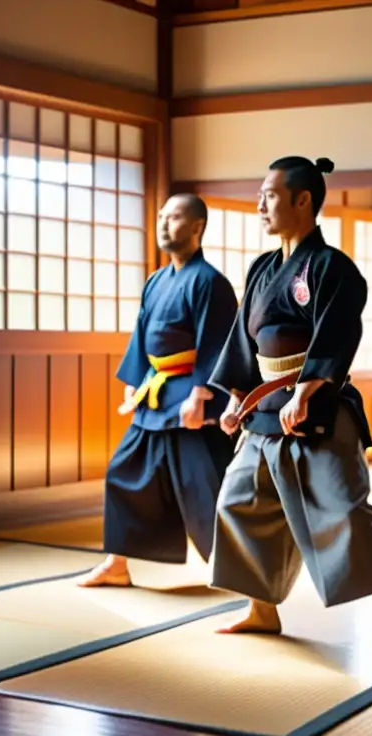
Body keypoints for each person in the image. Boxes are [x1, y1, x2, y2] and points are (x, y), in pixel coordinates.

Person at [206, 155, 372, 658]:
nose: (260, 204)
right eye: (260, 194)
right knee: (238, 503)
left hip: (317, 409)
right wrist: (236, 398)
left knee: (346, 514)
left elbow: (337, 333)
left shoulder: (331, 268)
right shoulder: (261, 269)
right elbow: (243, 343)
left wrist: (304, 392)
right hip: (264, 411)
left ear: (303, 200)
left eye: (270, 195)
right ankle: (261, 611)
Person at [76, 193, 238, 588]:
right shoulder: (156, 280)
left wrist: (200, 395)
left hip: (190, 397)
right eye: (162, 216)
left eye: (175, 217)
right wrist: (135, 382)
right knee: (124, 472)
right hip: (157, 394)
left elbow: (217, 341)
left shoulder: (211, 282)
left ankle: (238, 571)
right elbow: (143, 336)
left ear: (197, 226)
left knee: (206, 486)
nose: (164, 224)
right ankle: (117, 564)